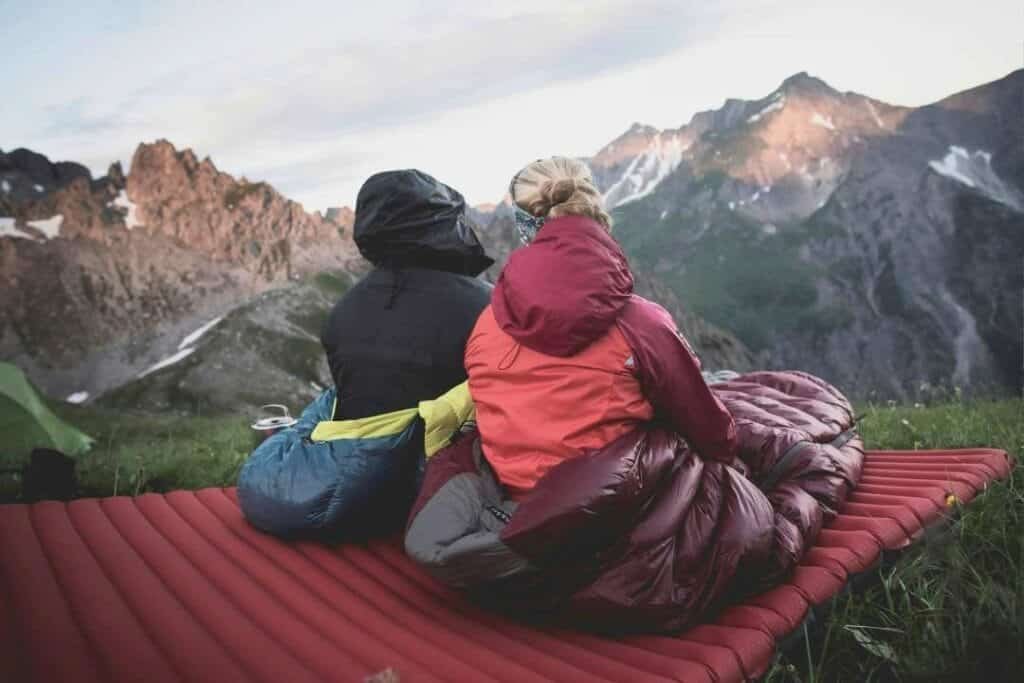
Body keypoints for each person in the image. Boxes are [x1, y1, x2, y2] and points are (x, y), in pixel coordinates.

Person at [238, 169, 492, 540]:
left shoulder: (345, 309)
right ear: (443, 225)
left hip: (358, 484)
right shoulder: (486, 305)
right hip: (426, 493)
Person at [465, 157, 738, 498]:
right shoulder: (641, 323)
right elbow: (710, 432)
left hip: (514, 502)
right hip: (610, 508)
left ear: (524, 224)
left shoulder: (488, 322)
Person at [322, 169, 493, 419]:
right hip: (452, 454)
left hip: (363, 456)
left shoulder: (341, 314)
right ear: (442, 223)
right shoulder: (488, 306)